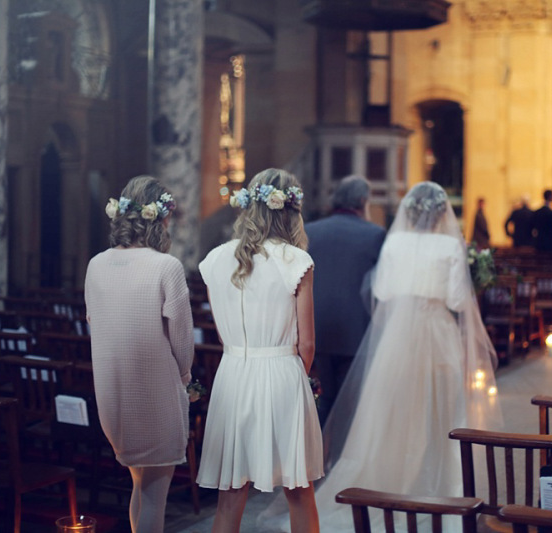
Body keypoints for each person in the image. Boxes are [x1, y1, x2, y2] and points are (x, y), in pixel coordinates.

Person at [302, 182, 502, 532]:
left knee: (393, 413)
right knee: (439, 414)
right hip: (437, 334)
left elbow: (381, 291)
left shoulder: (394, 241)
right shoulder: (450, 245)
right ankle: (439, 487)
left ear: (409, 211)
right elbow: (457, 301)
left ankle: (388, 486)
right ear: (443, 213)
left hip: (397, 337)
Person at [197, 169, 323, 533]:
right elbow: (308, 343)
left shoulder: (215, 259)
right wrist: (298, 374)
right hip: (283, 371)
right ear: (291, 210)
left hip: (233, 372)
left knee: (231, 493)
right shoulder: (295, 261)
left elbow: (223, 334)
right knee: (299, 489)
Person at [85, 175, 194, 533]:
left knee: (139, 485)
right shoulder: (166, 266)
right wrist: (183, 380)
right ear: (160, 217)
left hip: (114, 393)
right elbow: (182, 342)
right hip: (154, 392)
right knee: (155, 494)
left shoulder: (96, 264)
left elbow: (95, 325)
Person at [305, 175, 386, 425]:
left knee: (326, 397)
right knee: (352, 403)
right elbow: (381, 286)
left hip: (317, 328)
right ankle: (342, 460)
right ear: (363, 201)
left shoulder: (310, 231)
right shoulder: (375, 234)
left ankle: (318, 459)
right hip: (356, 330)